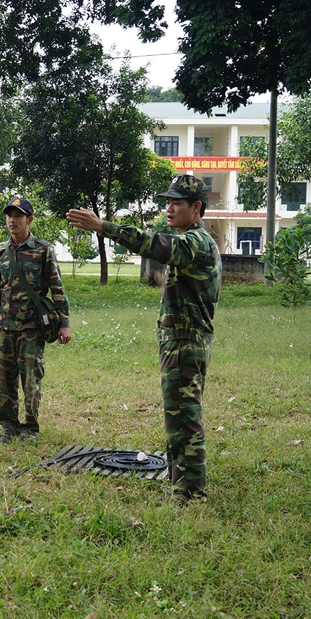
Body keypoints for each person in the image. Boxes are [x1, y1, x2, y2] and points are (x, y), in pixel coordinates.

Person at [67, 174, 221, 501]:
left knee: (184, 419)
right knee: (179, 417)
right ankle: (183, 485)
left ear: (196, 208)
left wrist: (103, 227)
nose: (168, 207)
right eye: (167, 201)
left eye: (176, 202)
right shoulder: (192, 240)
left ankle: (191, 494)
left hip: (185, 344)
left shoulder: (195, 242)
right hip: (181, 342)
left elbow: (154, 244)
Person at [0, 197, 71, 443]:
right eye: (10, 216)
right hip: (4, 326)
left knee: (31, 380)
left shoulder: (43, 250)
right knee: (4, 380)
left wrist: (64, 323)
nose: (13, 220)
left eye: (18, 216)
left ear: (29, 220)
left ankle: (30, 428)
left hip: (32, 327)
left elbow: (57, 288)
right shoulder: (0, 251)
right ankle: (8, 427)